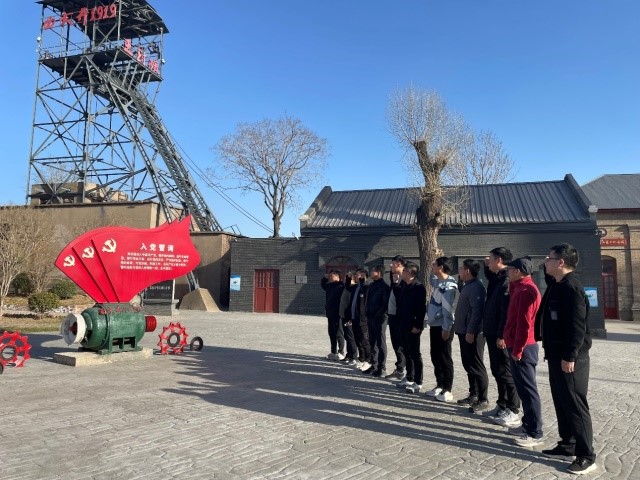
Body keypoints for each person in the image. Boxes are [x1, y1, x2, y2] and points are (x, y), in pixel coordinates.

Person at [538, 244, 596, 475]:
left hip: (571, 357)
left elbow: (577, 327)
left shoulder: (572, 288)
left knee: (575, 404)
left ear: (561, 262)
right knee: (561, 401)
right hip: (555, 354)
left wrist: (570, 355)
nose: (546, 261)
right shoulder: (557, 284)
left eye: (549, 258)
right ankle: (568, 444)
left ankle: (586, 455)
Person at [503, 256, 544, 448]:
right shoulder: (520, 288)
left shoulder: (526, 291)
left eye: (509, 270)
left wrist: (518, 350)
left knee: (528, 390)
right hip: (519, 345)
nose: (507, 273)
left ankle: (535, 432)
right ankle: (527, 424)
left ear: (517, 271)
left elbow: (524, 325)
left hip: (524, 347)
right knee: (522, 388)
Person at [482, 247, 521, 425]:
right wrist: (486, 267)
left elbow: (505, 311)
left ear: (499, 260)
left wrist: (502, 335)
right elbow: (490, 278)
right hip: (492, 333)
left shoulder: (506, 280)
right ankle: (502, 404)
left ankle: (513, 409)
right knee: (497, 370)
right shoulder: (498, 278)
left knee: (506, 372)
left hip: (500, 335)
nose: (488, 261)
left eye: (490, 259)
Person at [454, 258, 490, 412]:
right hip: (463, 331)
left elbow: (477, 312)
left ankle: (483, 399)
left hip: (473, 334)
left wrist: (471, 331)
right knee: (468, 364)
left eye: (461, 268)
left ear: (468, 271)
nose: (459, 271)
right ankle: (473, 394)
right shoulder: (468, 285)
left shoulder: (476, 287)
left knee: (476, 365)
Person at [425, 256, 458, 402]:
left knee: (445, 357)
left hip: (444, 326)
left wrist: (446, 328)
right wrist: (434, 264)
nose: (432, 266)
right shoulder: (438, 281)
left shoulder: (449, 286)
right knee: (435, 355)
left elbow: (448, 309)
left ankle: (447, 389)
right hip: (435, 325)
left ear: (441, 267)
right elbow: (431, 278)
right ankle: (440, 384)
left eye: (434, 265)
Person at [395, 261, 427, 393]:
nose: (402, 273)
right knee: (407, 352)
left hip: (413, 325)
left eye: (404, 271)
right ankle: (409, 377)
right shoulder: (404, 285)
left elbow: (421, 309)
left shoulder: (418, 287)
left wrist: (418, 325)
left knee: (415, 353)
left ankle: (418, 381)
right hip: (403, 323)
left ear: (410, 273)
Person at [365, 265, 390, 376]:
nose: (371, 273)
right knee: (372, 342)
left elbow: (385, 304)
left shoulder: (384, 287)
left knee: (380, 343)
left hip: (379, 319)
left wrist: (377, 314)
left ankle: (381, 367)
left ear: (379, 273)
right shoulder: (371, 285)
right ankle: (374, 365)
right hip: (370, 317)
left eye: (373, 271)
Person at [385, 255, 407, 380]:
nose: (390, 266)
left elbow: (401, 298)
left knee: (402, 344)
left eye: (393, 264)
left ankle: (405, 371)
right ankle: (399, 368)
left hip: (401, 317)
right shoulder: (394, 277)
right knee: (396, 343)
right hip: (392, 316)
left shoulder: (405, 279)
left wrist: (396, 283)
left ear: (399, 264)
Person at [348, 268, 373, 371]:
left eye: (358, 275)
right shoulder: (356, 287)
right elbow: (347, 287)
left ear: (363, 276)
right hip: (355, 318)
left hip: (363, 320)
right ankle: (361, 359)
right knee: (358, 340)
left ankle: (368, 360)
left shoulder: (367, 287)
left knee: (364, 341)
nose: (355, 276)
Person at [320, 270, 345, 360]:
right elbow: (323, 284)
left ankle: (341, 352)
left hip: (338, 314)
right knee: (331, 333)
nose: (330, 277)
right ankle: (333, 351)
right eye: (329, 276)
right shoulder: (329, 286)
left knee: (339, 333)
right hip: (330, 314)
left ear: (338, 276)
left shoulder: (341, 286)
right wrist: (324, 278)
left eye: (332, 276)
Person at [339, 272, 359, 366]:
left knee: (351, 337)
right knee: (347, 336)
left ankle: (354, 357)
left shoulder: (355, 289)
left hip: (349, 316)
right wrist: (348, 277)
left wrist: (351, 317)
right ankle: (349, 355)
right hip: (344, 315)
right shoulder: (347, 287)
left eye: (351, 278)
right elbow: (347, 285)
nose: (347, 280)